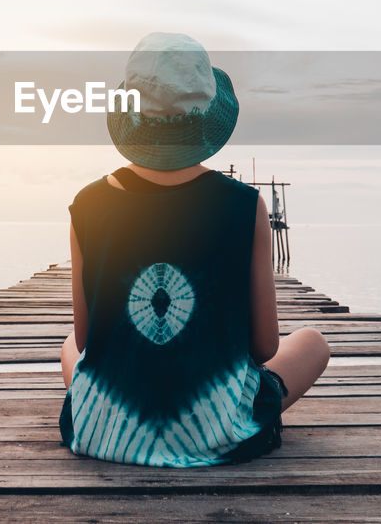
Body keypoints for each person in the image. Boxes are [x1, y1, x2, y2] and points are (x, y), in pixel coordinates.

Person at [58, 31, 330, 467]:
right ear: (205, 117)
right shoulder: (245, 205)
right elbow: (264, 348)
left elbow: (90, 339)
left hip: (105, 432)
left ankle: (104, 410)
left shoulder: (87, 204)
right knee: (314, 342)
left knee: (71, 343)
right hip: (216, 431)